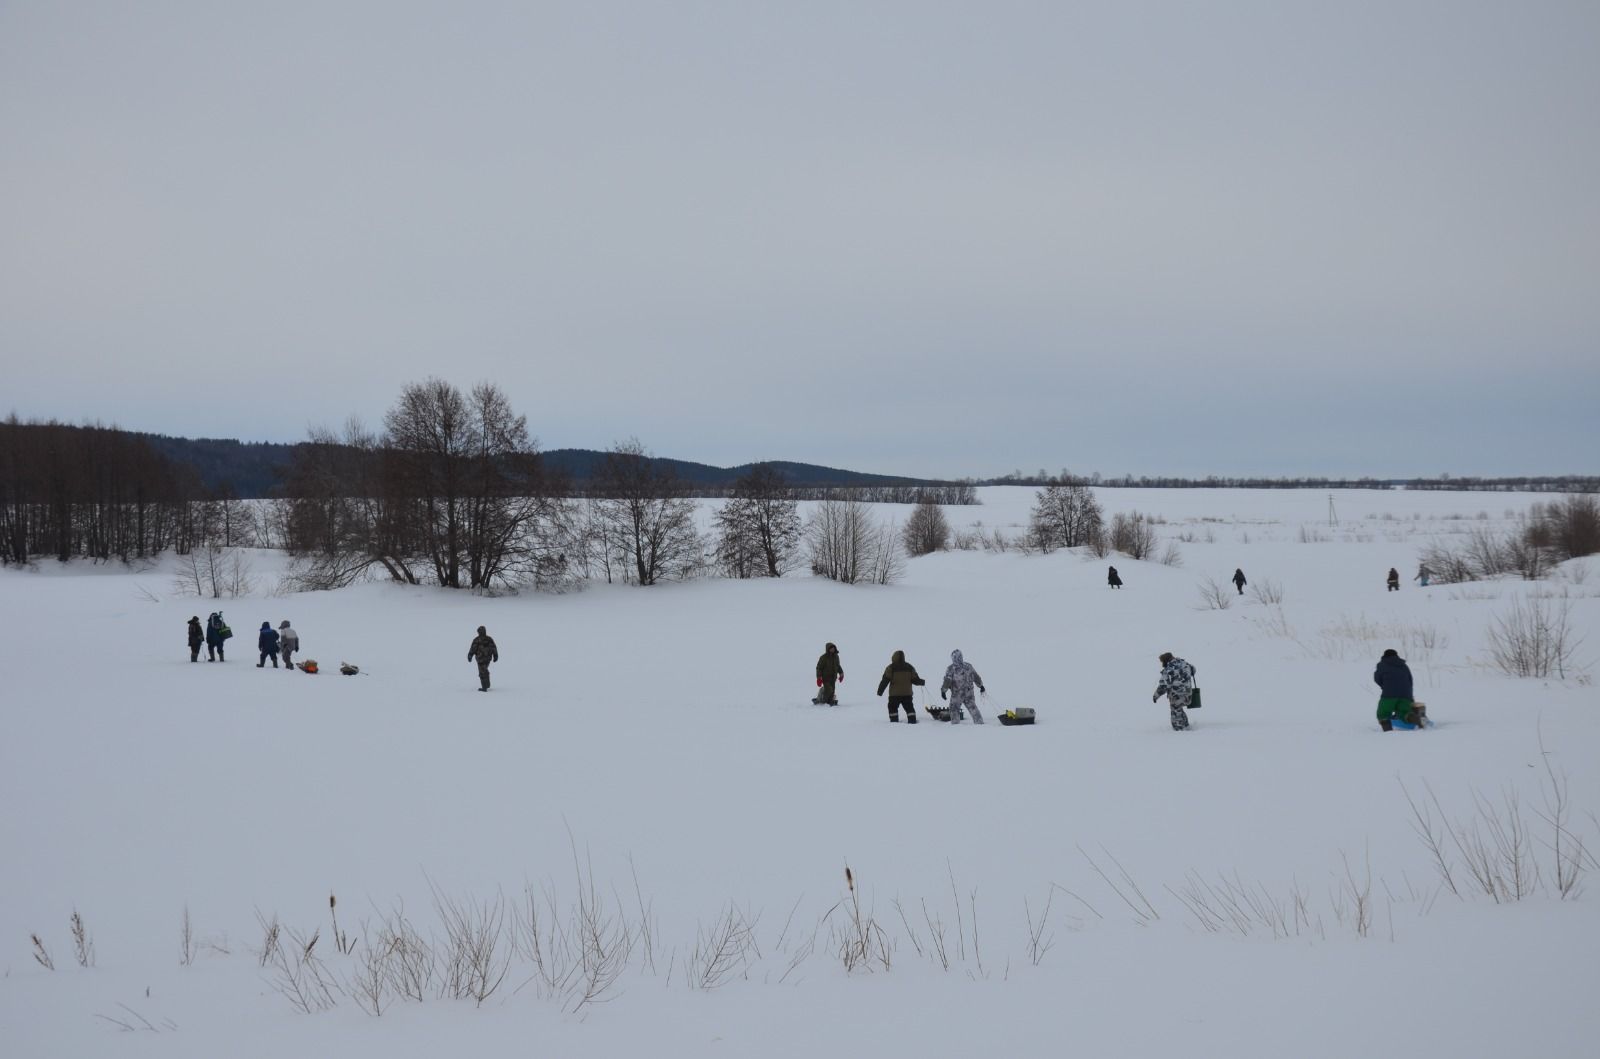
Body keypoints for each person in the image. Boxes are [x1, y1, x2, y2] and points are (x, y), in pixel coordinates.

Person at [1373, 648, 1421, 731]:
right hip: (1406, 694)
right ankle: (1416, 719)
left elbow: (1377, 678)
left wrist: (1384, 686)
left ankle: (1388, 732)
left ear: (1384, 656)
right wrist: (1409, 694)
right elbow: (1410, 679)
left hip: (1389, 694)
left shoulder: (1382, 664)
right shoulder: (1404, 665)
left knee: (1383, 713)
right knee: (1404, 712)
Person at [875, 650, 925, 723]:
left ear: (893, 657)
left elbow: (885, 680)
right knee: (909, 708)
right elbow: (915, 679)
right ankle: (912, 721)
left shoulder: (891, 667)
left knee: (892, 708)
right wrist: (921, 682)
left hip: (894, 695)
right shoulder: (909, 667)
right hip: (907, 694)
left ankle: (894, 722)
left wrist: (880, 691)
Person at [940, 649, 987, 724]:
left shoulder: (951, 668)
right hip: (969, 693)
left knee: (954, 709)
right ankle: (979, 722)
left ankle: (955, 725)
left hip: (957, 694)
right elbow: (976, 677)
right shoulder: (968, 666)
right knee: (973, 708)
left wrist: (943, 691)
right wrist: (981, 686)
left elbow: (947, 681)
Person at [1152, 651, 1196, 731]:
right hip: (1188, 695)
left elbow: (1163, 686)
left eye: (1162, 662)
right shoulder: (1184, 663)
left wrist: (1156, 696)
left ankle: (1179, 731)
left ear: (1166, 660)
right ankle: (1186, 726)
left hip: (1177, 696)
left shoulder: (1169, 669)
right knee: (1179, 709)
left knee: (1175, 710)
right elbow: (1193, 670)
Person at [467, 625, 499, 691]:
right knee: (484, 670)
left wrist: (470, 655)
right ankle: (486, 684)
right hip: (486, 658)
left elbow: (493, 647)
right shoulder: (488, 639)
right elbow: (473, 648)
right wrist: (495, 655)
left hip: (481, 659)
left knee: (482, 672)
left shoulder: (478, 639)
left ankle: (484, 687)